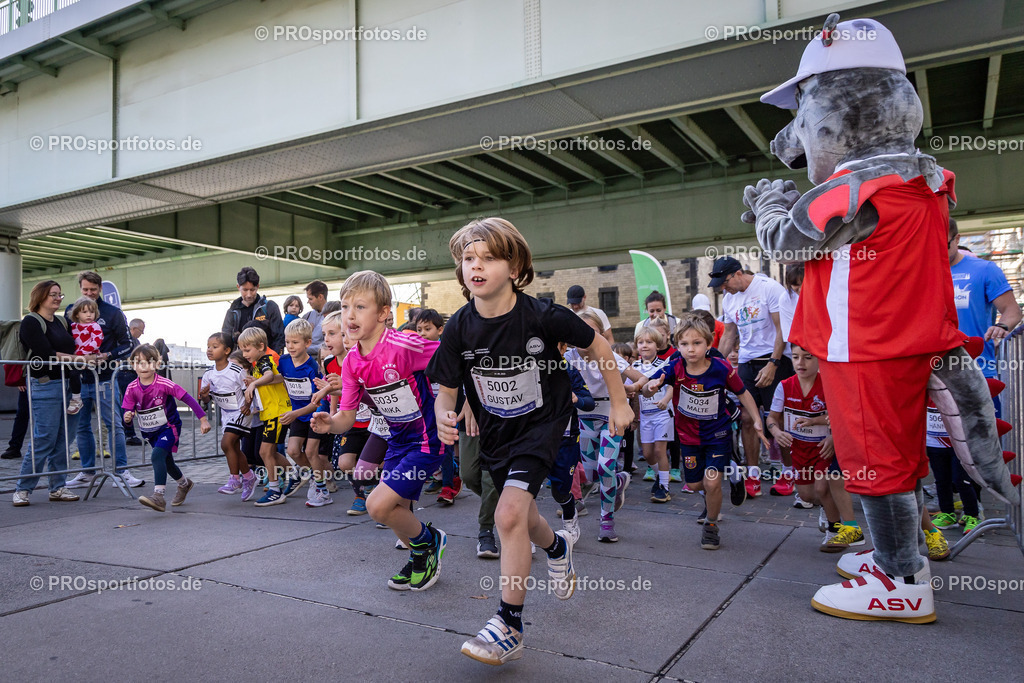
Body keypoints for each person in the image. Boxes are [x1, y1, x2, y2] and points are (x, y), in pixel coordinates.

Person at [427, 217, 633, 665]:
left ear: (515, 265)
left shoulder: (543, 316)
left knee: (508, 513)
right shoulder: (459, 326)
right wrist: (446, 414)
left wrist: (618, 403)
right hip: (497, 432)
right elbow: (447, 383)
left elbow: (599, 348)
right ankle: (557, 546)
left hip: (543, 426)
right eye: (467, 258)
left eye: (488, 257)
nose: (475, 266)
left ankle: (508, 623)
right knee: (524, 517)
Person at [311, 271, 447, 593]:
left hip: (427, 440)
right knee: (391, 509)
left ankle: (430, 543)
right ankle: (421, 555)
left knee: (377, 505)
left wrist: (459, 405)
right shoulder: (352, 364)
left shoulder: (405, 345)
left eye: (360, 307)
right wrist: (331, 425)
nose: (350, 315)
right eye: (345, 307)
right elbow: (346, 416)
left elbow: (450, 360)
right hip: (395, 441)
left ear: (384, 313)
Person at [643, 314, 767, 549]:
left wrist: (757, 420)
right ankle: (733, 471)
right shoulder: (675, 366)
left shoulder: (721, 367)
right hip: (689, 437)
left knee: (711, 483)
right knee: (697, 485)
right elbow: (652, 385)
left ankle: (711, 525)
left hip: (717, 434)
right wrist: (649, 387)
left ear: (709, 344)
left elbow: (743, 393)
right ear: (677, 346)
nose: (691, 349)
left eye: (697, 343)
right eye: (685, 344)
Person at [766, 343, 864, 552]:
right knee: (808, 496)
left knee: (823, 487)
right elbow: (772, 418)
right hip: (799, 449)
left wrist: (833, 438)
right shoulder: (784, 385)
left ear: (820, 359)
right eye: (795, 357)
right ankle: (828, 508)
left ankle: (834, 530)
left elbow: (841, 416)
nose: (801, 363)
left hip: (823, 448)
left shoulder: (828, 384)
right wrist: (777, 432)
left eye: (808, 357)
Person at [713, 256, 794, 498]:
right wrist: (714, 363)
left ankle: (788, 473)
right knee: (747, 418)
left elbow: (782, 329)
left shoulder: (769, 288)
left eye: (725, 282)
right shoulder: (729, 299)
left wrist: (773, 364)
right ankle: (753, 473)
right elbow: (728, 335)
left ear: (738, 273)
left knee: (777, 420)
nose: (723, 288)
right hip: (747, 361)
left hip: (775, 359)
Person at [564, 310, 648, 542]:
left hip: (611, 415)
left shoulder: (609, 354)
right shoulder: (569, 357)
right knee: (591, 474)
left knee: (605, 467)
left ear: (601, 335)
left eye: (593, 332)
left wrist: (633, 388)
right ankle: (619, 481)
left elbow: (641, 378)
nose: (586, 337)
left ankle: (607, 520)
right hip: (584, 418)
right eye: (581, 332)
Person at [63, 271, 142, 490]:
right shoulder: (70, 310)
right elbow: (65, 342)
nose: (89, 293)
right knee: (82, 427)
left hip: (106, 379)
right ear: (80, 288)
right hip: (78, 379)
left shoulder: (113, 313)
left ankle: (122, 470)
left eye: (93, 290)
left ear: (100, 289)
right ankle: (87, 472)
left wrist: (107, 356)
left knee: (114, 424)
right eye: (85, 289)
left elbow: (127, 344)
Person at [12, 281, 83, 506]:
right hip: (45, 384)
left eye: (59, 294)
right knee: (44, 438)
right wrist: (80, 359)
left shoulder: (62, 321)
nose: (57, 298)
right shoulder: (31, 321)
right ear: (40, 296)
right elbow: (47, 353)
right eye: (52, 294)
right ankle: (22, 489)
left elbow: (71, 348)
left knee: (64, 440)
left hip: (68, 385)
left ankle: (58, 487)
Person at [123, 344, 211, 512]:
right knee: (167, 461)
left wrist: (203, 419)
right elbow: (128, 412)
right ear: (133, 365)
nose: (144, 366)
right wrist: (128, 416)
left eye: (149, 362)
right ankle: (185, 484)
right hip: (149, 432)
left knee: (157, 456)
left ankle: (158, 496)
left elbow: (188, 399)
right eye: (138, 362)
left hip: (169, 428)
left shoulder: (164, 384)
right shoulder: (131, 388)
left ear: (157, 364)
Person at [948, 219, 1022, 411]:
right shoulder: (922, 272)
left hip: (979, 371)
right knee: (938, 441)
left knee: (983, 439)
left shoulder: (985, 270)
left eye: (944, 245)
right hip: (933, 374)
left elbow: (1012, 311)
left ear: (957, 239)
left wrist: (1002, 326)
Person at [238, 327, 297, 506]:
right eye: (242, 349)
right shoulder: (259, 364)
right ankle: (295, 475)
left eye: (247, 350)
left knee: (264, 451)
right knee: (267, 451)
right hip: (271, 412)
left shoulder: (265, 360)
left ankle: (275, 490)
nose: (244, 353)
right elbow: (274, 379)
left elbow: (270, 374)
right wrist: (254, 382)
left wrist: (253, 384)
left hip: (277, 412)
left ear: (261, 346)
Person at [279, 318, 332, 507]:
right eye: (287, 342)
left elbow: (316, 401)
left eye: (295, 342)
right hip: (298, 414)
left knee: (311, 452)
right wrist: (258, 381)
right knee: (293, 450)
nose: (290, 346)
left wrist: (294, 414)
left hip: (315, 412)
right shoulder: (284, 361)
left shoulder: (312, 368)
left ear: (307, 343)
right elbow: (281, 376)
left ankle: (322, 490)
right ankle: (315, 477)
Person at [200, 332, 258, 501]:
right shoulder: (208, 374)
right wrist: (204, 395)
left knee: (226, 443)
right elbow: (206, 399)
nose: (210, 350)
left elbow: (249, 389)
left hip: (241, 411)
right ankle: (249, 477)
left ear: (226, 350)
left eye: (215, 347)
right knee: (233, 447)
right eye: (208, 346)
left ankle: (235, 480)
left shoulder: (236, 371)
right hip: (226, 414)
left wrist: (248, 405)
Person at [632, 326, 674, 503]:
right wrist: (633, 417)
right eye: (641, 342)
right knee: (648, 454)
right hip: (646, 416)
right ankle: (661, 476)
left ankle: (664, 488)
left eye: (649, 342)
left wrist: (665, 399)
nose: (645, 345)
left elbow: (671, 386)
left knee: (659, 450)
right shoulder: (633, 367)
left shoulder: (665, 364)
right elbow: (631, 393)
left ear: (657, 345)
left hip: (662, 413)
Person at [222, 267, 286, 353]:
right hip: (240, 360)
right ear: (238, 287)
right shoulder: (232, 311)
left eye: (252, 290)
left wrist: (273, 360)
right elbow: (226, 339)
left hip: (265, 359)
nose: (249, 295)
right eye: (245, 290)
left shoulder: (269, 307)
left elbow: (279, 337)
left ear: (258, 286)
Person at [120, 318, 146, 446]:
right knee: (127, 405)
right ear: (134, 329)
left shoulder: (135, 341)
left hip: (130, 374)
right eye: (141, 330)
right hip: (125, 374)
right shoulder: (125, 340)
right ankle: (129, 434)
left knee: (130, 405)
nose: (142, 333)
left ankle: (129, 433)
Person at [303, 280, 329, 355]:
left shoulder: (333, 317)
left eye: (310, 299)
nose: (308, 302)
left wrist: (305, 349)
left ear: (320, 297)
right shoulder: (306, 317)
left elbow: (329, 344)